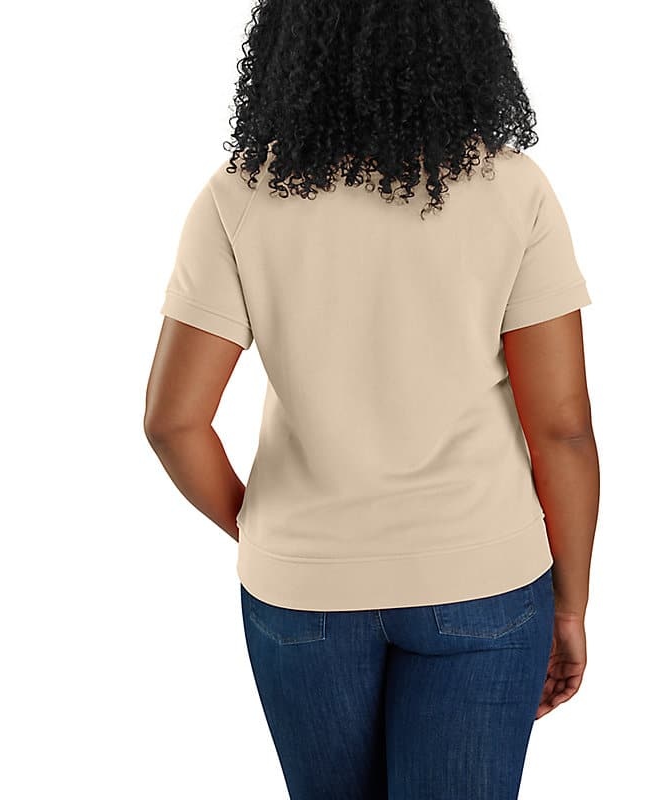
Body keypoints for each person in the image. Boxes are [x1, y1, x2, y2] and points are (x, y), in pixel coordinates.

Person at [144, 0, 600, 797]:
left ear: (292, 40)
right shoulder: (512, 188)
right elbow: (561, 428)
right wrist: (570, 604)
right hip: (483, 579)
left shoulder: (240, 194)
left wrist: (261, 527)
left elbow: (173, 422)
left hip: (303, 588)